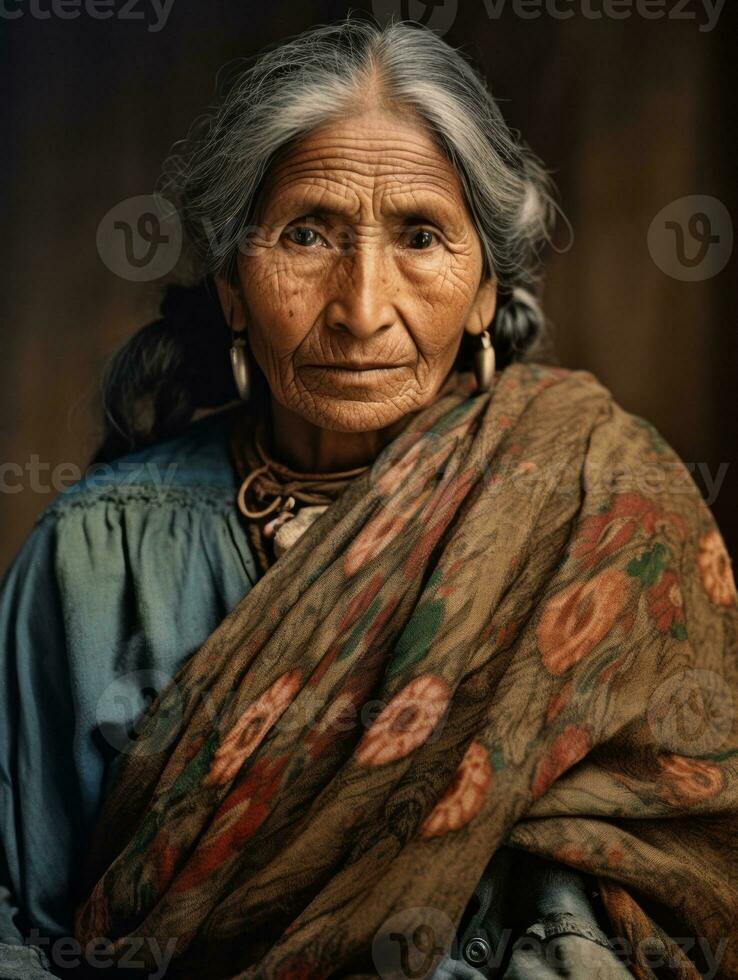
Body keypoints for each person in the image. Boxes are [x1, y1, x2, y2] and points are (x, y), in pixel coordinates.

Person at [1, 14, 736, 980]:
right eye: (307, 233)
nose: (360, 307)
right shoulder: (99, 553)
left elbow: (672, 883)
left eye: (422, 235)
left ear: (483, 289)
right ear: (230, 283)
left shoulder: (602, 507)